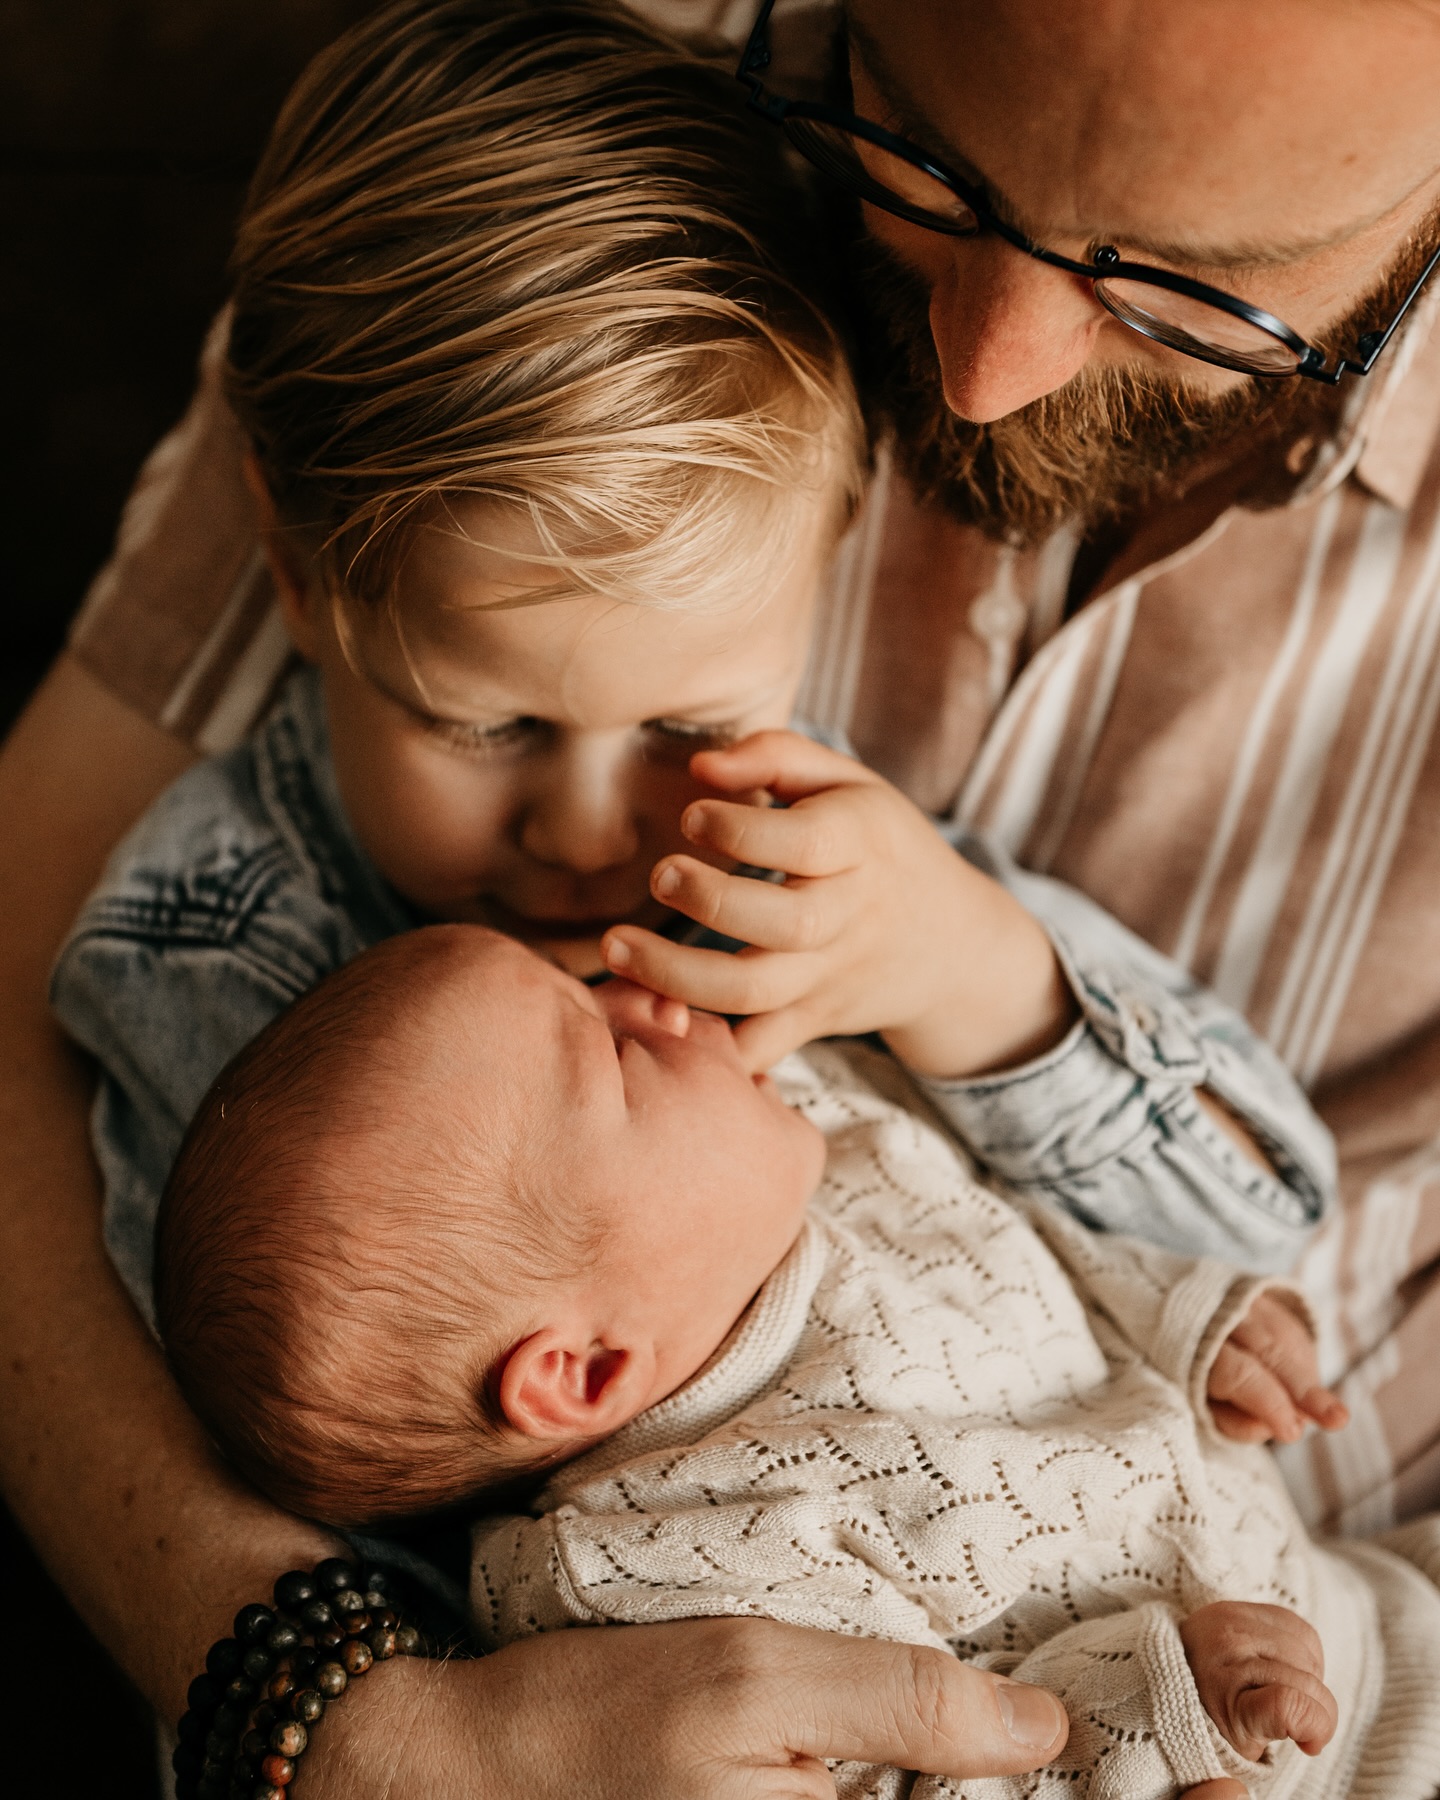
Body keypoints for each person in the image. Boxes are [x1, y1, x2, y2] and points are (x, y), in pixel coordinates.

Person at [5, 0, 1437, 1797]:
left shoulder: (825, 889)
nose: (984, 367)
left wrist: (978, 979)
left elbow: (1212, 1203)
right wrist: (360, 1718)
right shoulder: (567, 176)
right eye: (926, 158)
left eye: (1190, 281)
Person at [148, 925, 1435, 1800]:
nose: (652, 994)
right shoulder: (649, 1571)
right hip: (1306, 1759)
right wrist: (1169, 1696)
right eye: (610, 1050)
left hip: (1380, 1599)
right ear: (585, 1373)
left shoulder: (809, 1127)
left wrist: (1196, 1323)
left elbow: (1030, 1231)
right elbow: (923, 1769)